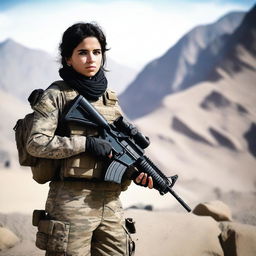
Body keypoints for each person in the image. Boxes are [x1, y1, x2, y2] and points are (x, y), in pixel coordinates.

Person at [26, 22, 153, 256]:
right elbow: (36, 142)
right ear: (67, 58)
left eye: (97, 52)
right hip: (71, 202)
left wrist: (135, 175)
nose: (91, 59)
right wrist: (85, 144)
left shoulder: (110, 100)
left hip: (111, 203)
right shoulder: (56, 96)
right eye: (82, 53)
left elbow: (119, 151)